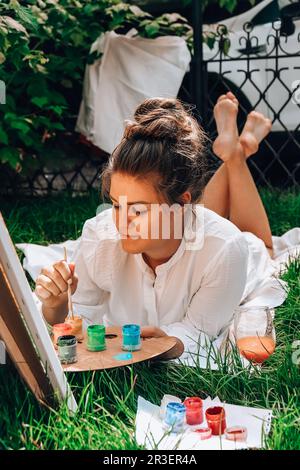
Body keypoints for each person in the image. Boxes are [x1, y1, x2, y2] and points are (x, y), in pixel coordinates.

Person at [34, 93, 287, 361]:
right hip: (188, 222)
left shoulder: (227, 248)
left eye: (139, 210)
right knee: (203, 220)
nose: (122, 221)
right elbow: (76, 317)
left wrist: (169, 342)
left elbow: (199, 332)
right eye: (117, 205)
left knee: (262, 243)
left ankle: (237, 155)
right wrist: (56, 304)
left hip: (240, 254)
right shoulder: (100, 236)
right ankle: (238, 150)